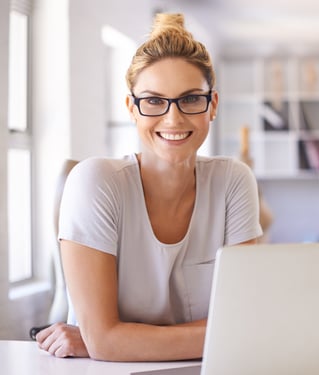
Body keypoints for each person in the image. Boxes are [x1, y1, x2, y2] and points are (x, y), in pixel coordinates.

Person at [35, 13, 263, 361]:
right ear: (132, 107)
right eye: (154, 101)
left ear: (212, 105)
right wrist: (106, 341)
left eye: (190, 99)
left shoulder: (233, 181)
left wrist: (112, 340)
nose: (173, 119)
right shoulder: (94, 182)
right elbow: (106, 343)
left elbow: (248, 324)